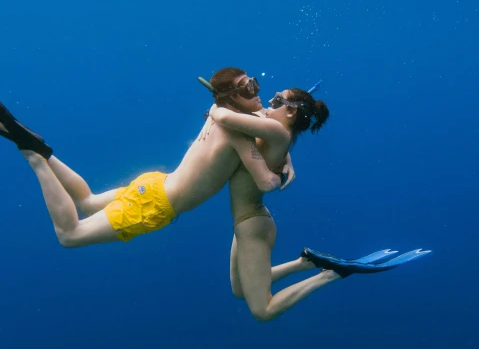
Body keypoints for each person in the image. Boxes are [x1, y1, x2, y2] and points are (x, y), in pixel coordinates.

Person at [204, 71, 430, 321]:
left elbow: (225, 117)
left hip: (252, 226)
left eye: (278, 101)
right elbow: (252, 123)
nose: (269, 102)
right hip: (247, 222)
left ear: (290, 113)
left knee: (263, 311)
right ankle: (305, 263)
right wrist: (287, 160)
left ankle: (329, 275)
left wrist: (218, 103)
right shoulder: (275, 133)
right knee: (239, 290)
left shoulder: (276, 133)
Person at [0, 75, 293, 247]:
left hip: (157, 185)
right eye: (249, 89)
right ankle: (33, 153)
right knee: (69, 234)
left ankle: (43, 151)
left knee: (88, 201)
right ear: (234, 98)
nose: (260, 97)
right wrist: (280, 172)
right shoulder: (239, 131)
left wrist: (286, 155)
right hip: (157, 203)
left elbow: (265, 126)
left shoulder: (222, 113)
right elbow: (266, 182)